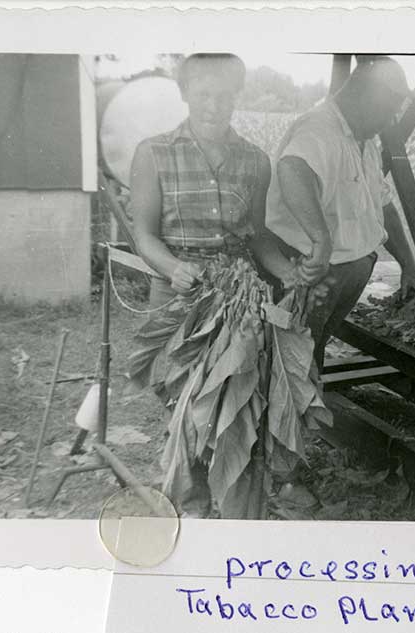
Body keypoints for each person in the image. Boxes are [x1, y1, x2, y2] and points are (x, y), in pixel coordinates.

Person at [128, 53, 296, 518]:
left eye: (224, 94)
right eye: (203, 93)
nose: (213, 104)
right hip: (181, 294)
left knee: (237, 401)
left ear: (236, 97)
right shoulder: (154, 153)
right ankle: (192, 505)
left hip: (239, 298)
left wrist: (284, 271)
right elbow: (143, 233)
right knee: (183, 402)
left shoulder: (255, 160)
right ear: (184, 93)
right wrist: (171, 267)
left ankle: (238, 509)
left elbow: (259, 236)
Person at [266, 56, 415, 370]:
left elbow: (382, 204)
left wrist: (409, 265)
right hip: (313, 274)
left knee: (310, 351)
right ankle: (294, 415)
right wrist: (320, 239)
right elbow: (292, 168)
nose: (389, 121)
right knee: (293, 357)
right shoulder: (320, 127)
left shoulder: (361, 138)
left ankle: (304, 407)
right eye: (387, 110)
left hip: (345, 272)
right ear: (364, 97)